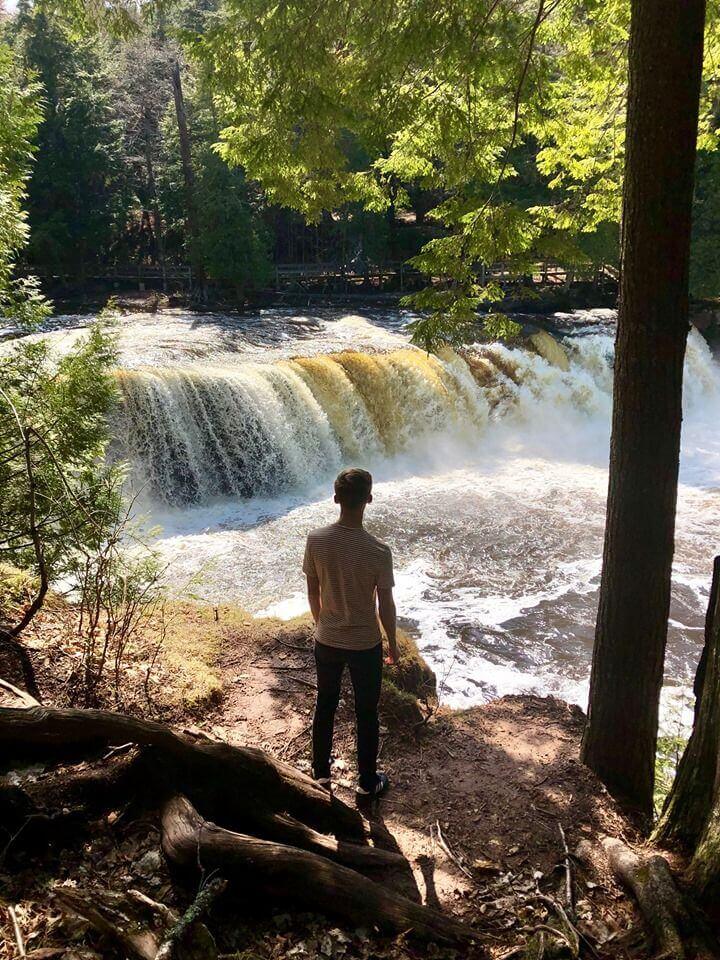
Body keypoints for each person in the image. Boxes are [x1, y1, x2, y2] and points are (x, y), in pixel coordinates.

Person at [303, 468, 398, 798]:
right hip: (364, 644)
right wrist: (394, 644)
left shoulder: (315, 541)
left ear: (336, 499)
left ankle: (320, 776)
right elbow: (385, 605)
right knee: (366, 711)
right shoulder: (378, 551)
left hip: (326, 639)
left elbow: (312, 590)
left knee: (325, 704)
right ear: (368, 499)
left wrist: (321, 623)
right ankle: (367, 782)